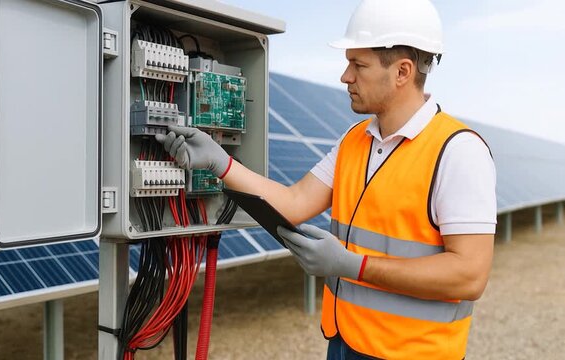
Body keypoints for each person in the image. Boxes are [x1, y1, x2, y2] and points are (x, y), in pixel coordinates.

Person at [156, 0, 497, 358]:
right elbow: (294, 202)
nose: (345, 76)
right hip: (345, 342)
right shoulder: (354, 141)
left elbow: (469, 276)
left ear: (402, 71)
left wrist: (352, 265)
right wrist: (220, 162)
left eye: (358, 64)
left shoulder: (458, 152)